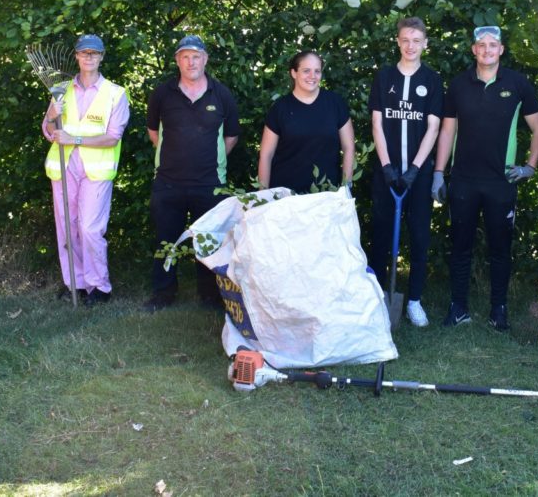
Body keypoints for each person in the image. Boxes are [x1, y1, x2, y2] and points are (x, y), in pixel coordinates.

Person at [434, 25, 538, 330]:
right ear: (473, 50)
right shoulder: (458, 85)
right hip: (463, 180)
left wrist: (531, 167)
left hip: (501, 181)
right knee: (460, 246)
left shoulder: (518, 83)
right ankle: (458, 308)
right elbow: (447, 130)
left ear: (501, 50)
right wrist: (439, 173)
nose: (486, 50)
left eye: (492, 45)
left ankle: (499, 309)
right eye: (481, 45)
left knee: (500, 248)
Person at [144, 35, 240, 311]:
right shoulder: (162, 93)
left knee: (208, 242)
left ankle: (209, 296)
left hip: (209, 183)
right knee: (166, 239)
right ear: (177, 61)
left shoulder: (221, 94)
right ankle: (163, 294)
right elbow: (154, 133)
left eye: (196, 56)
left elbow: (231, 136)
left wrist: (210, 161)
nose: (191, 61)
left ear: (205, 59)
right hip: (168, 182)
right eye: (185, 56)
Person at [41, 34, 130, 306]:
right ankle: (75, 284)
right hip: (64, 168)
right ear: (76, 56)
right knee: (67, 227)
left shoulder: (116, 94)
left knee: (90, 229)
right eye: (84, 52)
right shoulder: (61, 89)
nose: (89, 57)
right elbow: (48, 130)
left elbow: (113, 137)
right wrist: (53, 117)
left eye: (94, 53)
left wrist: (74, 139)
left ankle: (99, 287)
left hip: (96, 171)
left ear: (101, 57)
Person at [367, 17, 444, 327]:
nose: (411, 45)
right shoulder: (384, 77)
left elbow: (434, 126)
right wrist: (387, 167)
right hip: (386, 171)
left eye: (417, 40)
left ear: (425, 43)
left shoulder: (433, 80)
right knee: (381, 235)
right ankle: (377, 297)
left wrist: (415, 169)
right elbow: (377, 124)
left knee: (420, 236)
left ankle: (413, 300)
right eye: (405, 40)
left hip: (418, 175)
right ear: (397, 42)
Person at [258, 51, 355, 193]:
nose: (312, 76)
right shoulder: (280, 108)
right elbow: (266, 155)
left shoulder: (335, 103)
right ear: (294, 73)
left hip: (327, 194)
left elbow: (349, 148)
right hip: (286, 197)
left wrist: (346, 187)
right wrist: (263, 194)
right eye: (306, 71)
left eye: (317, 71)